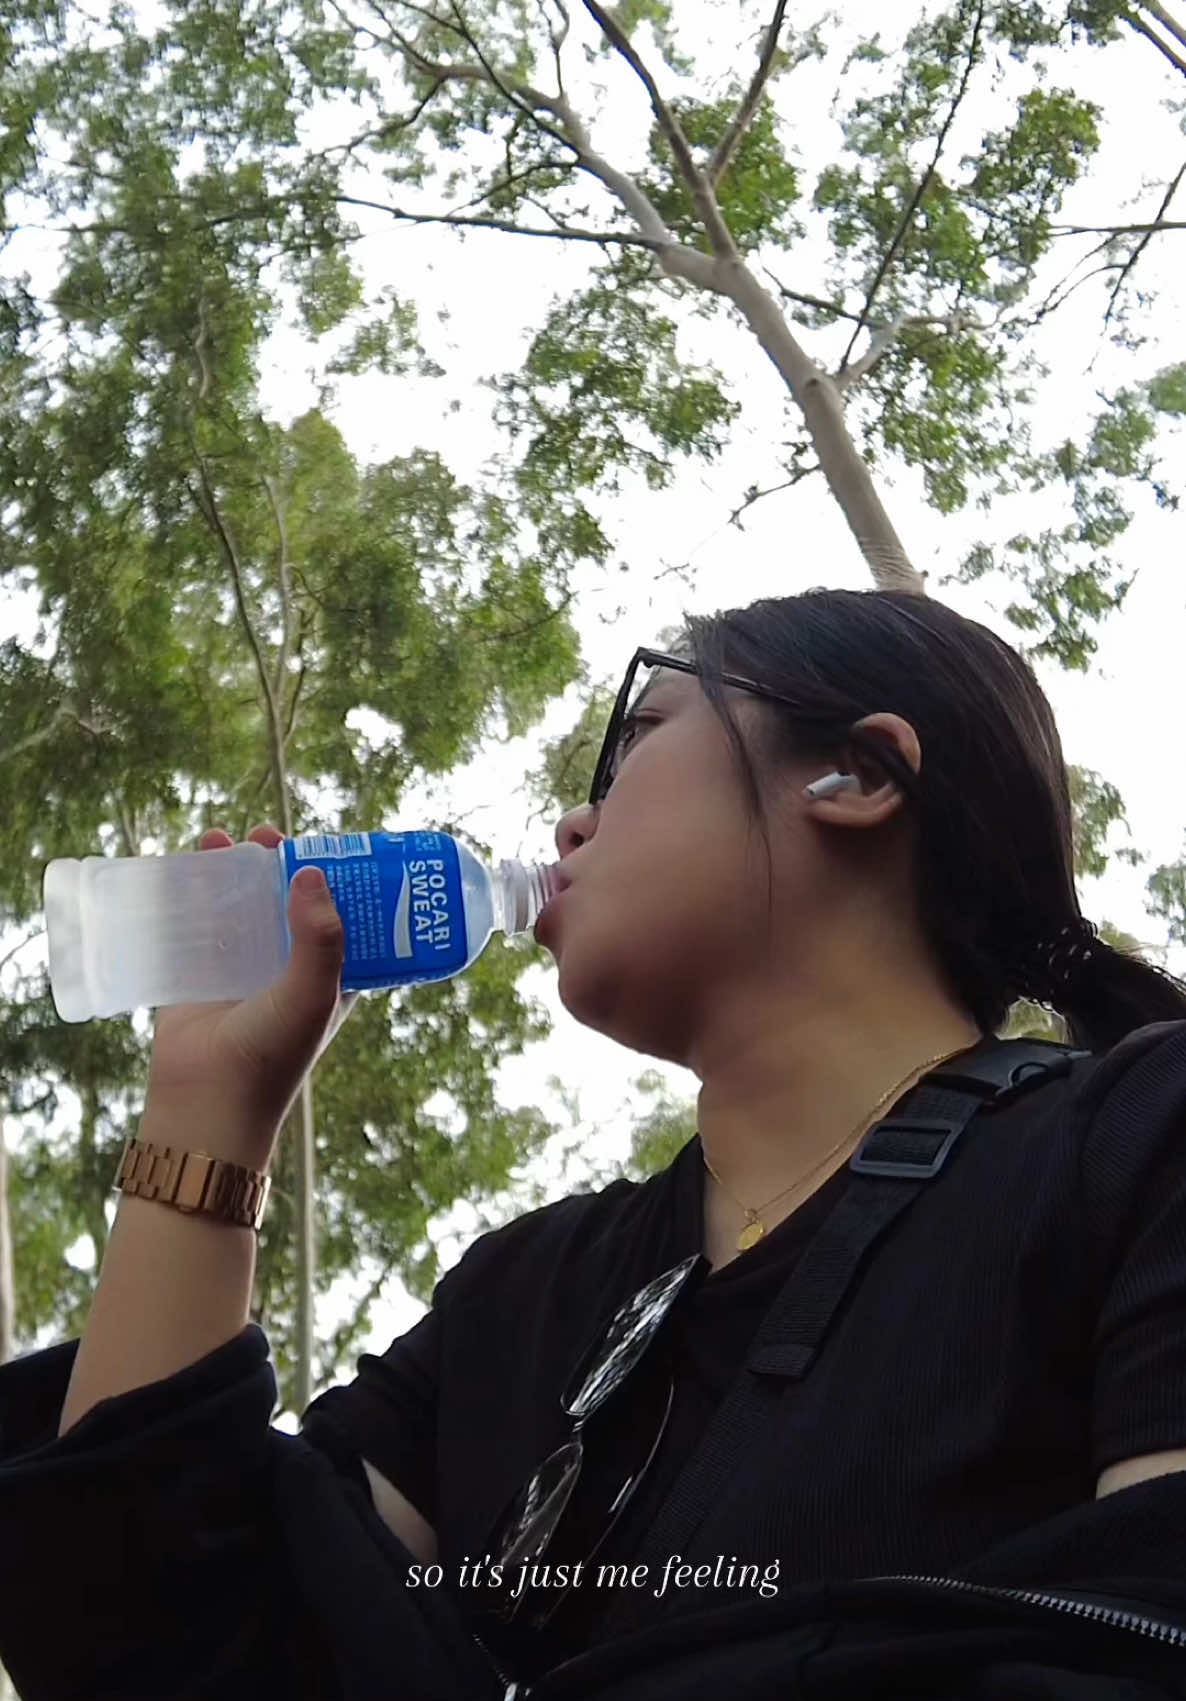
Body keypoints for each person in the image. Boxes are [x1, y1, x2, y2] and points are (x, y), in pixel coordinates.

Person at [3, 586, 1186, 1701]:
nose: (572, 818)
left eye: (636, 741)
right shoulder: (524, 1296)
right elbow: (149, 1642)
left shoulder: (1137, 1145)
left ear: (854, 774)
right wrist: (211, 1109)